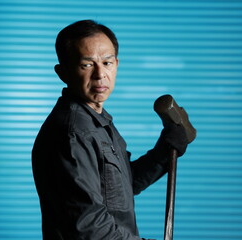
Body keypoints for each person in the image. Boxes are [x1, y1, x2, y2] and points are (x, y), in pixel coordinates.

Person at [32, 19, 188, 240]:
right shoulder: (74, 134)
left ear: (117, 64)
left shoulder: (98, 122)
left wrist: (165, 151)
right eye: (87, 64)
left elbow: (121, 187)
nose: (99, 74)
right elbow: (89, 228)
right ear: (63, 72)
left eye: (107, 63)